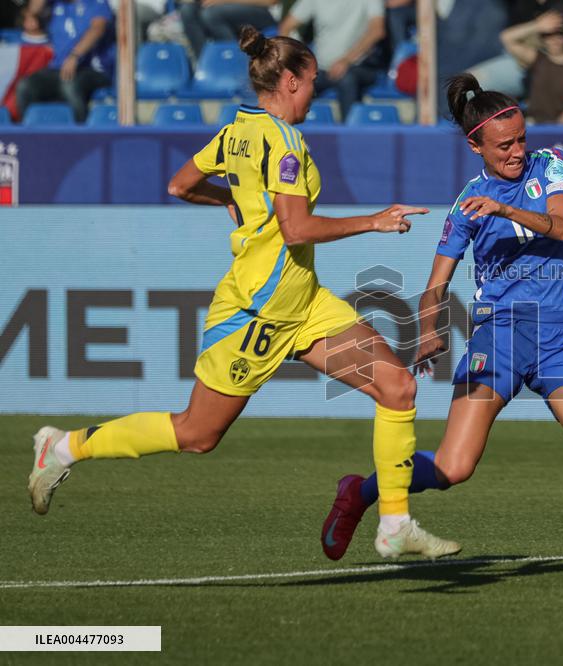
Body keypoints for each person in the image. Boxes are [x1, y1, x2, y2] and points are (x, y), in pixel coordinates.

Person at [27, 26, 459, 562]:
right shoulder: (285, 143)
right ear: (290, 79)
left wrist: (233, 205)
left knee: (397, 388)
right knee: (197, 434)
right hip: (258, 312)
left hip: (302, 301)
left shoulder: (238, 130)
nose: (316, 92)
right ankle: (64, 446)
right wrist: (375, 221)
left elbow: (180, 185)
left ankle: (394, 523)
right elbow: (296, 229)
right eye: (312, 82)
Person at [319, 73, 563, 591]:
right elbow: (434, 285)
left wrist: (506, 208)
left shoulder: (549, 165)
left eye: (520, 139)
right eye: (504, 145)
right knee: (453, 466)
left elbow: (559, 225)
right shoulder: (468, 203)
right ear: (476, 146)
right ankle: (359, 491)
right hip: (500, 338)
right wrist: (427, 332)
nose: (516, 151)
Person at [279, 0, 387, 119]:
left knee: (347, 79)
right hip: (322, 68)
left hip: (360, 67)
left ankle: (349, 131)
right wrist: (295, 61)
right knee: (293, 84)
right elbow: (287, 27)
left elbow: (377, 30)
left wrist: (346, 60)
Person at [15, 0, 115, 123]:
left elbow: (97, 29)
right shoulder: (55, 4)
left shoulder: (96, 3)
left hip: (94, 69)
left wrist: (75, 56)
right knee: (26, 86)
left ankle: (81, 134)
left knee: (69, 84)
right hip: (58, 69)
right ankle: (27, 135)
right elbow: (33, 11)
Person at [501, 9, 563, 124]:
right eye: (547, 34)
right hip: (534, 125)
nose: (554, 39)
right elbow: (507, 38)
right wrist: (536, 26)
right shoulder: (537, 59)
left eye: (559, 33)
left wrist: (551, 131)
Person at [178, 0, 279, 59]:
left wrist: (223, 1)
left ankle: (233, 62)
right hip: (223, 8)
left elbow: (270, 1)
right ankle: (205, 64)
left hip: (264, 12)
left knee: (211, 15)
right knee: (187, 11)